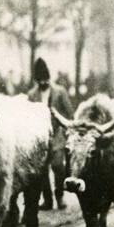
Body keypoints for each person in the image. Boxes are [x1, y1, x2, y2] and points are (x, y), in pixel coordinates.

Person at [27, 57, 75, 210]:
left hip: (57, 133)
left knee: (57, 166)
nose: (43, 83)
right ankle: (47, 200)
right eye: (39, 80)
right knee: (42, 169)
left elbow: (69, 113)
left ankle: (59, 196)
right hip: (41, 136)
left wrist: (68, 131)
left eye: (45, 79)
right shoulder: (32, 95)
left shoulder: (60, 92)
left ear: (49, 78)